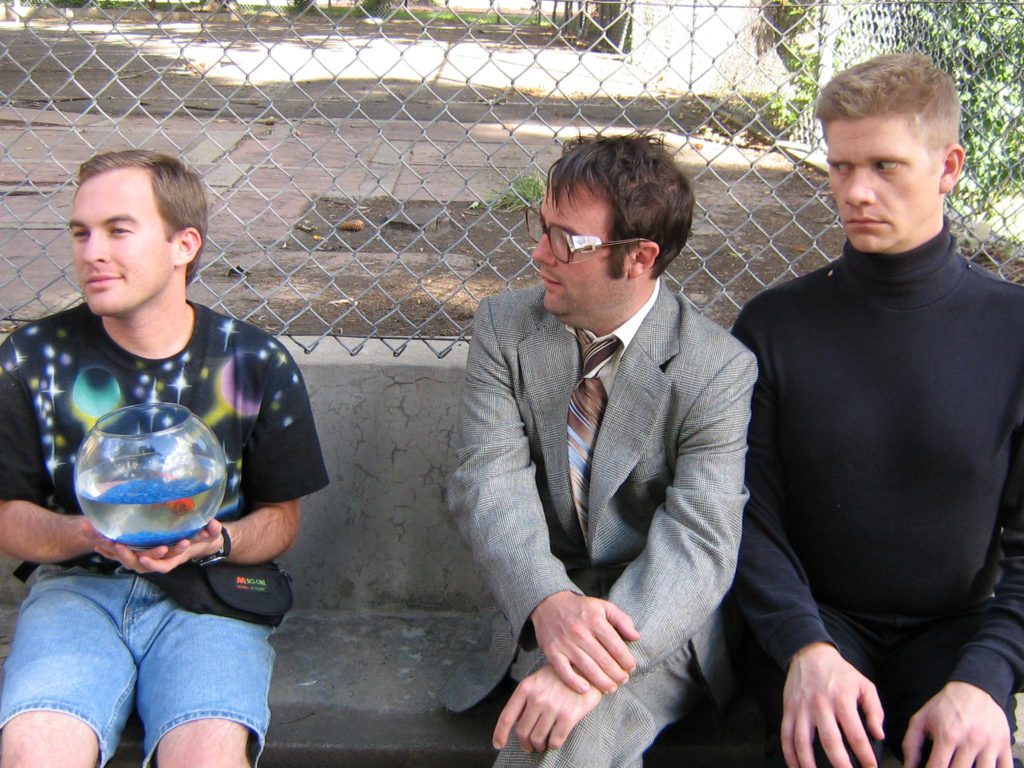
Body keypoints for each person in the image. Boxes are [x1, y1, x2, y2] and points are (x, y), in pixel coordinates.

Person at [732, 53, 1024, 768]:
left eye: (885, 166)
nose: (856, 191)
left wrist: (986, 679)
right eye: (840, 167)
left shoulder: (1012, 331)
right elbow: (744, 514)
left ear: (949, 167)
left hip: (957, 631)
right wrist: (803, 646)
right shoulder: (775, 326)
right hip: (813, 624)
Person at [0, 150, 329, 767]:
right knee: (35, 750)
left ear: (184, 245)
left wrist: (216, 540)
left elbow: (281, 519)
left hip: (210, 595)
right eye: (81, 233)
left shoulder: (252, 363)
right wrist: (90, 534)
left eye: (118, 230)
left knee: (206, 755)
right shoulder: (32, 359)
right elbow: (7, 517)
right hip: (76, 591)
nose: (92, 252)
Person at [440, 132, 757, 766]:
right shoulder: (505, 328)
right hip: (543, 600)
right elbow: (488, 482)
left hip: (653, 622)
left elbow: (699, 541)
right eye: (542, 227)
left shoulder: (716, 369)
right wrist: (548, 601)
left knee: (561, 733)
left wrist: (589, 667)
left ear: (639, 257)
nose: (539, 253)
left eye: (566, 240)